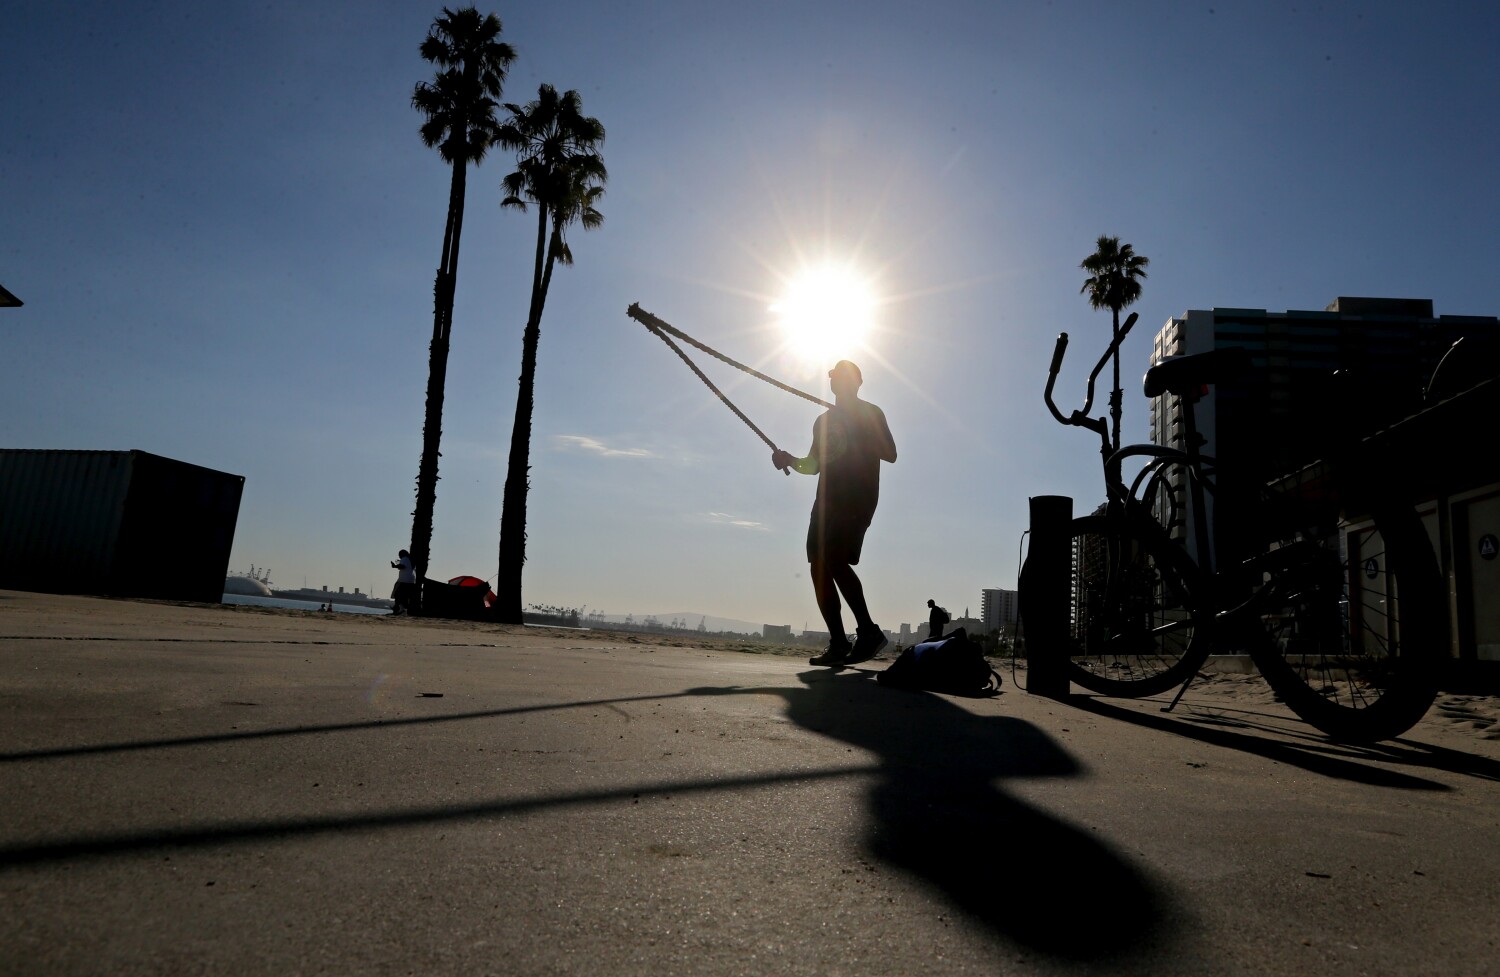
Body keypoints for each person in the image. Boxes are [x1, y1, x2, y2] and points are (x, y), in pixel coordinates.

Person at [772, 359, 897, 666]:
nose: (835, 382)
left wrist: (860, 424)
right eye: (833, 378)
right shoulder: (822, 422)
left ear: (857, 382)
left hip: (857, 498)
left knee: (834, 556)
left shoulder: (871, 413)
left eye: (842, 377)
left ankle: (868, 632)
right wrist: (789, 460)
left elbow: (890, 453)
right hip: (825, 503)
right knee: (818, 564)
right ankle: (839, 643)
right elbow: (814, 465)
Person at [390, 549, 417, 615]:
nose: (399, 557)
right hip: (411, 580)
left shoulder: (404, 558)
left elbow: (403, 566)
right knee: (405, 596)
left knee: (397, 594)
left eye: (399, 555)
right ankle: (401, 609)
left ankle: (398, 609)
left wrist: (395, 566)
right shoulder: (410, 560)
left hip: (404, 580)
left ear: (402, 554)